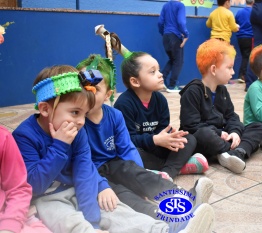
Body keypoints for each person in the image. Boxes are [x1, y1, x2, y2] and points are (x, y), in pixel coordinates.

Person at [11, 65, 180, 233]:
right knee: (66, 220)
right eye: (75, 112)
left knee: (115, 208)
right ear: (45, 109)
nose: (81, 121)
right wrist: (60, 147)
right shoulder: (24, 136)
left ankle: (165, 229)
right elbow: (33, 186)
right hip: (47, 198)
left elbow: (84, 171)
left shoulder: (78, 132)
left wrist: (94, 215)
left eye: (84, 114)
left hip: (76, 187)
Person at [77, 54, 215, 232]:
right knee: (126, 198)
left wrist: (139, 177)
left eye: (94, 89)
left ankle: (186, 198)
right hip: (94, 173)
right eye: (82, 88)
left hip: (117, 164)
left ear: (107, 95)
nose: (86, 94)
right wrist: (101, 186)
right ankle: (174, 222)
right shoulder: (78, 122)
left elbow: (127, 148)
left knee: (139, 175)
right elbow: (81, 164)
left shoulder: (114, 116)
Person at [114, 51, 209, 180]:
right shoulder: (124, 104)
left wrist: (170, 137)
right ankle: (176, 167)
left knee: (189, 139)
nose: (160, 74)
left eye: (158, 70)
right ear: (135, 81)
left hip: (157, 147)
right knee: (130, 156)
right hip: (141, 149)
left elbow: (162, 128)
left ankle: (165, 173)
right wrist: (155, 139)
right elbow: (127, 140)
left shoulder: (160, 100)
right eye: (152, 72)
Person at [179, 39, 262, 174]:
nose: (233, 72)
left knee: (257, 127)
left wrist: (235, 132)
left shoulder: (222, 91)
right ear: (213, 69)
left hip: (223, 136)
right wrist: (220, 133)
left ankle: (237, 152)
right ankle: (233, 151)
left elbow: (232, 116)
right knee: (204, 134)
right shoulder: (193, 92)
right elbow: (191, 126)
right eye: (229, 67)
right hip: (205, 139)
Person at [0, 125, 52, 233]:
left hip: (12, 215)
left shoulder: (3, 137)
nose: (81, 121)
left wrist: (9, 225)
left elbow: (18, 188)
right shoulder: (24, 135)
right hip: (45, 199)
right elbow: (36, 185)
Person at [158, 0, 189, 93]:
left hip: (166, 36)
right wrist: (186, 34)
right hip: (175, 37)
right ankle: (172, 85)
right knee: (178, 62)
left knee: (172, 59)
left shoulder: (165, 6)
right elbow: (181, 22)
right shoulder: (180, 5)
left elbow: (160, 22)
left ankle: (162, 79)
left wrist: (163, 33)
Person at [235, 0, 254, 83]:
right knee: (248, 57)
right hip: (250, 37)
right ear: (253, 2)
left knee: (244, 56)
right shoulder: (254, 12)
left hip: (240, 38)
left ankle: (243, 75)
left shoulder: (239, 12)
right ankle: (243, 75)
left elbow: (235, 23)